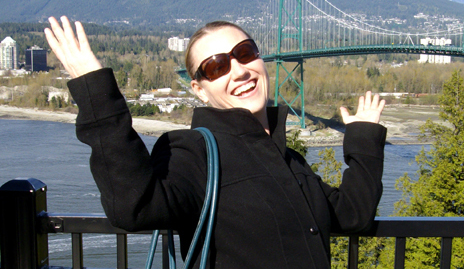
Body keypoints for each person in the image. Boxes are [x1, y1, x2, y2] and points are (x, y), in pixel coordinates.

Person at [45, 16, 387, 269]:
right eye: (215, 67)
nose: (238, 71)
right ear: (199, 89)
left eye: (244, 52)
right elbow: (135, 206)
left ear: (260, 59)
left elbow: (352, 215)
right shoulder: (193, 152)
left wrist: (364, 139)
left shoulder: (291, 161)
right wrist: (95, 90)